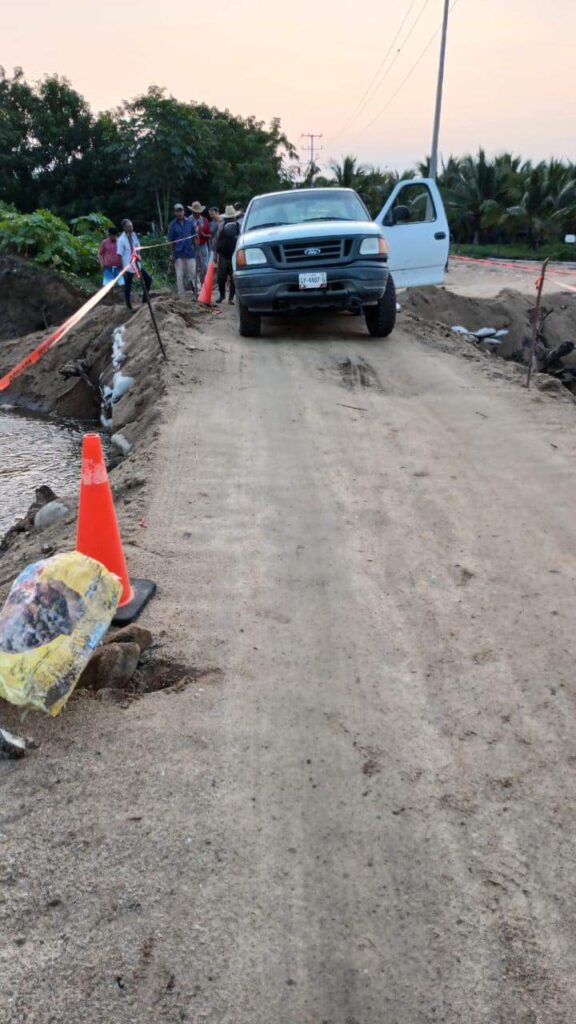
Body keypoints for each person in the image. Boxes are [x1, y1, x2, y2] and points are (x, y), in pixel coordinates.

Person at [117, 219, 152, 310]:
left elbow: (138, 247)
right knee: (128, 286)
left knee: (148, 279)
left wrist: (138, 255)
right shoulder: (121, 240)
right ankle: (128, 305)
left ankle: (144, 299)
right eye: (129, 226)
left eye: (131, 226)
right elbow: (119, 255)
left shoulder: (134, 235)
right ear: (124, 228)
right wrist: (122, 269)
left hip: (137, 264)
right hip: (128, 266)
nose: (131, 228)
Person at [167, 203, 196, 297]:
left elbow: (194, 237)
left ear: (184, 211)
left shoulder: (190, 223)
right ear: (175, 212)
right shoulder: (172, 225)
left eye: (181, 210)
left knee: (193, 273)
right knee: (180, 275)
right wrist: (172, 254)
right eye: (177, 211)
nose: (179, 213)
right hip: (178, 253)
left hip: (190, 252)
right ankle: (181, 295)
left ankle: (198, 292)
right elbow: (170, 241)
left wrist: (197, 250)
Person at [216, 205, 240, 304]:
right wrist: (216, 253)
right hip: (224, 255)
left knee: (233, 278)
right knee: (220, 278)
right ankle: (222, 295)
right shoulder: (222, 226)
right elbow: (218, 240)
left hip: (234, 255)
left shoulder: (239, 226)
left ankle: (230, 298)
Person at [188, 202, 211, 283]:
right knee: (194, 267)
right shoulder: (188, 221)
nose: (197, 214)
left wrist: (203, 234)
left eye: (198, 212)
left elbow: (209, 235)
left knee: (205, 266)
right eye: (195, 212)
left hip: (203, 245)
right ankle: (195, 285)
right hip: (192, 246)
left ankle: (205, 283)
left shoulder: (204, 220)